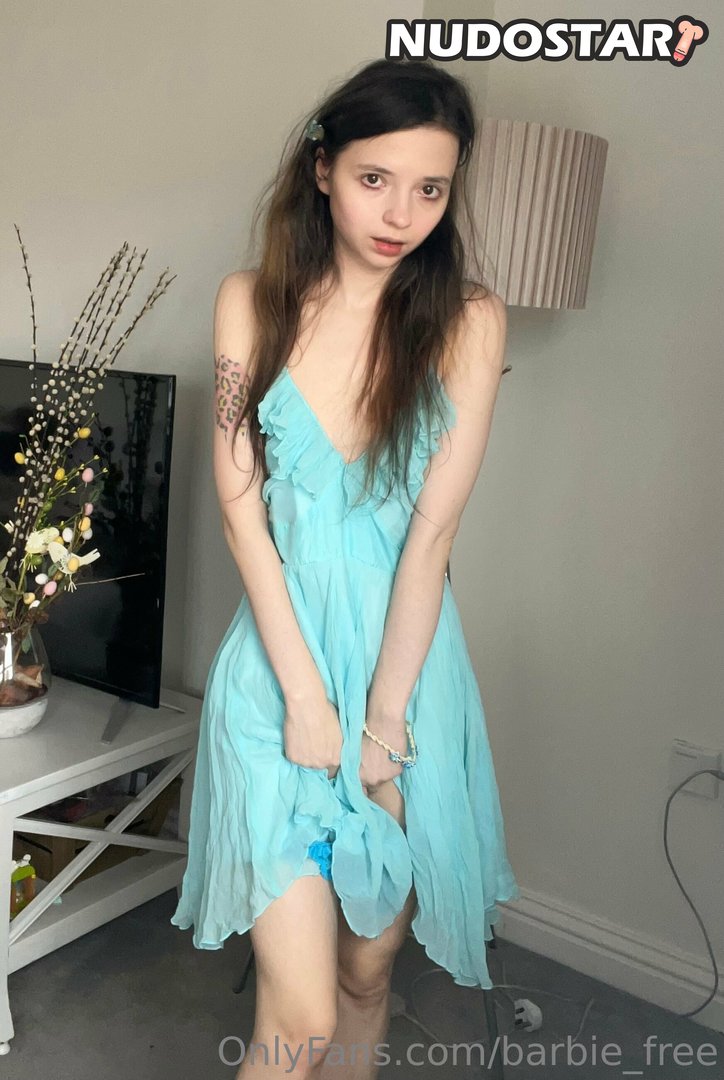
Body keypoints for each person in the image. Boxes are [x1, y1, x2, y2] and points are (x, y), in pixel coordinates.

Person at [171, 56, 520, 1079]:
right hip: (276, 673)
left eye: (430, 188)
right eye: (376, 178)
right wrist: (304, 701)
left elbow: (431, 542)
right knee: (301, 1017)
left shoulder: (468, 322)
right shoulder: (251, 303)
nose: (401, 213)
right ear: (322, 169)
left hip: (403, 683)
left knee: (368, 975)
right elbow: (243, 517)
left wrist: (384, 720)